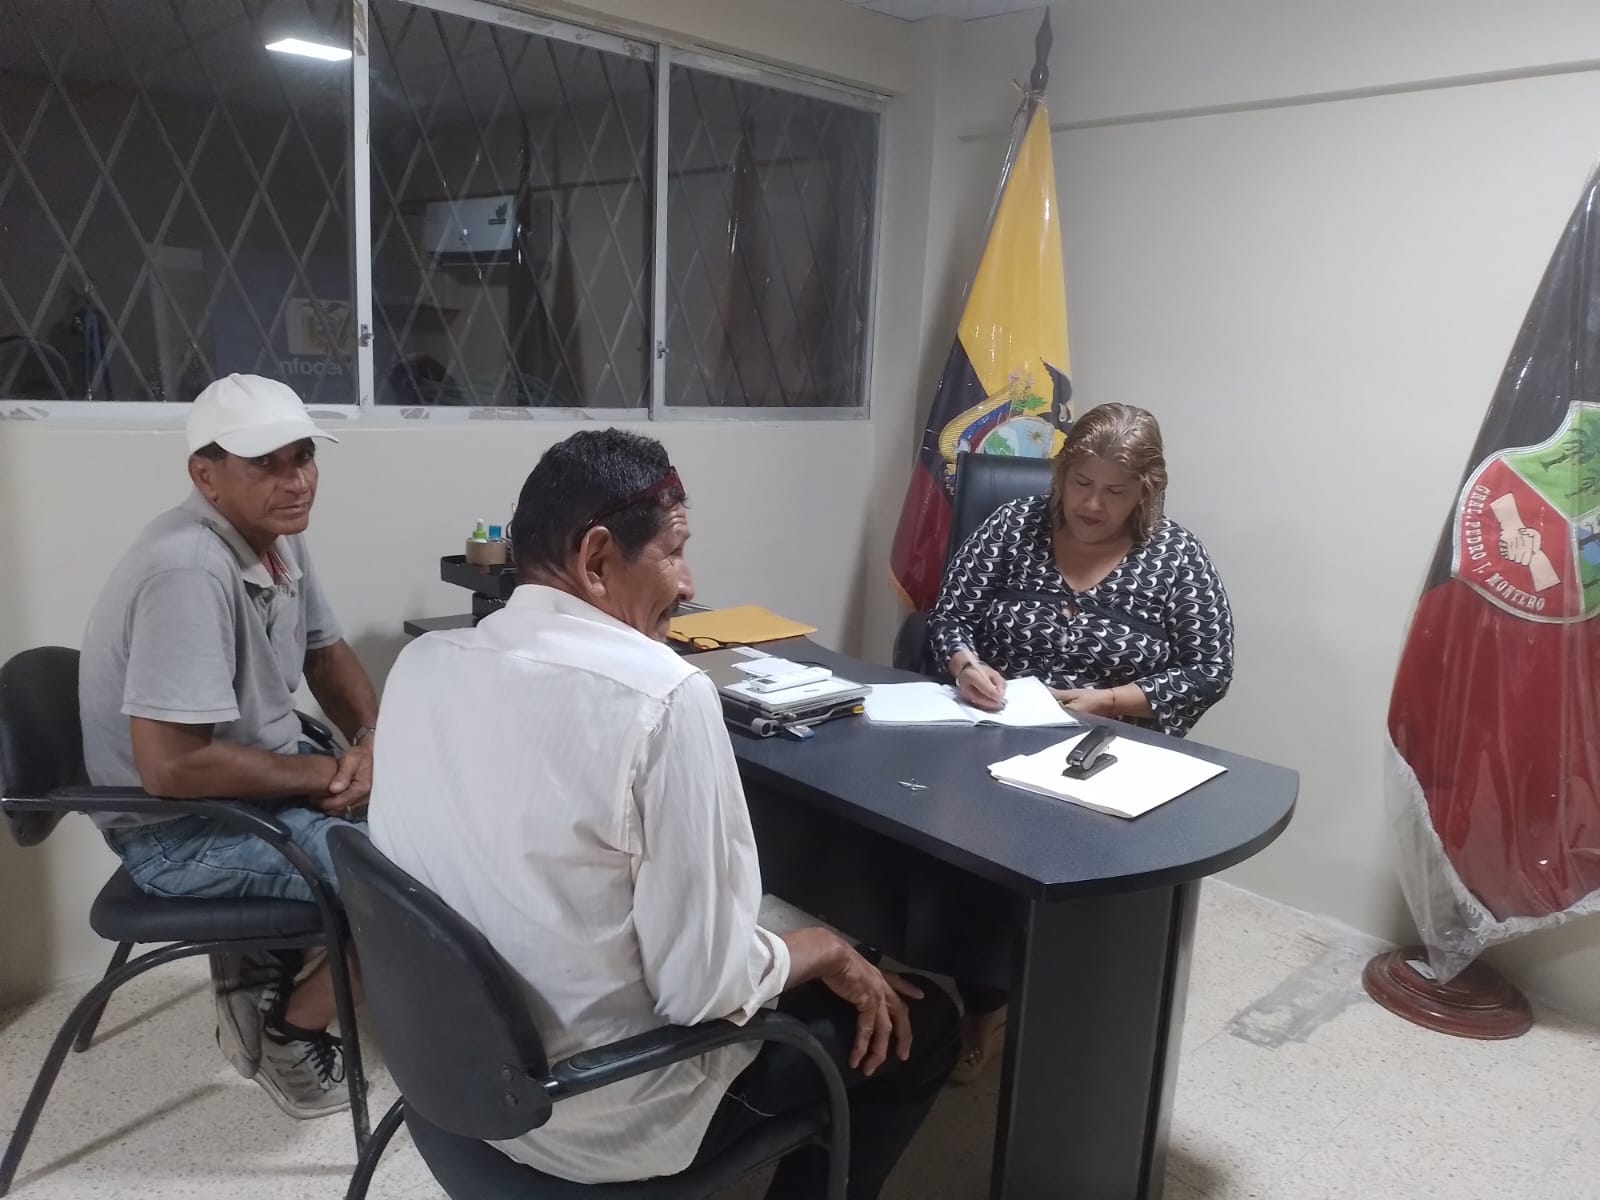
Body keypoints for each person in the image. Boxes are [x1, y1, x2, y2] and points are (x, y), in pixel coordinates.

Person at [370, 429, 959, 1198]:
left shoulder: (421, 665)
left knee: (783, 926)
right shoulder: (663, 698)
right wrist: (827, 952)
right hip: (596, 1111)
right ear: (596, 558)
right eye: (674, 551)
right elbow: (700, 990)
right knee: (925, 1024)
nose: (688, 583)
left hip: (451, 1075)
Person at [79, 373, 380, 1119]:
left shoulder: (277, 538)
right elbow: (171, 767)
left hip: (245, 790)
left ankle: (262, 970)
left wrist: (373, 742)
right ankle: (290, 1035)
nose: (296, 481)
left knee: (429, 826)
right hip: (179, 830)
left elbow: (325, 653)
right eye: (265, 464)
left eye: (303, 457)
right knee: (406, 889)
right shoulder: (188, 569)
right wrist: (323, 774)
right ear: (205, 476)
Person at [925, 402, 1235, 1083]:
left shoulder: (1175, 557)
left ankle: (1076, 1000)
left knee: (1070, 873)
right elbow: (950, 616)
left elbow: (1211, 669)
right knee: (968, 856)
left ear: (1145, 492)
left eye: (1115, 491)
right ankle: (983, 1004)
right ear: (1061, 475)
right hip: (995, 735)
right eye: (1081, 483)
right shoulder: (1014, 526)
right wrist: (965, 664)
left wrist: (1111, 700)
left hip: (1107, 754)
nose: (1092, 505)